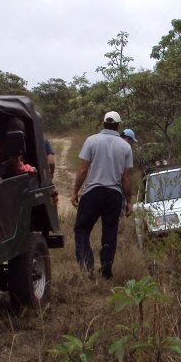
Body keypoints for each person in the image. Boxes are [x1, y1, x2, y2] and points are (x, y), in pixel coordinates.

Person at [71, 110, 133, 279]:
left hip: (93, 192)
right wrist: (129, 201)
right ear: (118, 125)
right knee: (110, 232)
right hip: (114, 194)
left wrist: (75, 192)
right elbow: (126, 178)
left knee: (82, 229)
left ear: (103, 122)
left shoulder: (91, 141)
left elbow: (83, 170)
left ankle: (86, 268)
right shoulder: (125, 146)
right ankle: (106, 271)